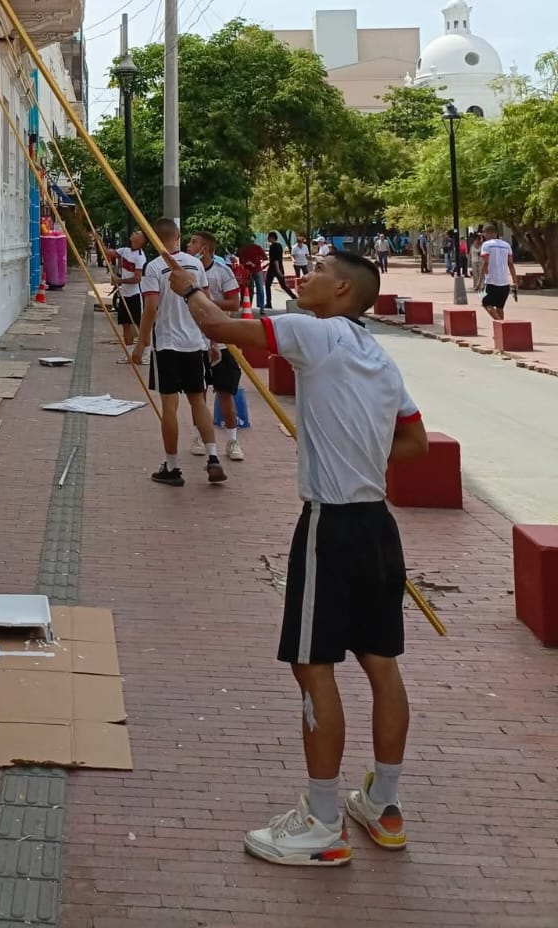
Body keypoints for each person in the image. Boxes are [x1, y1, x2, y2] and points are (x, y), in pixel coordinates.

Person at [165, 247, 428, 867]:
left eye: (318, 272)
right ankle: (384, 805)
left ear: (343, 291)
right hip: (377, 524)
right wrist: (357, 448)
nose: (305, 277)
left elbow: (217, 326)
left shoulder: (316, 333)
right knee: (382, 664)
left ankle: (323, 821)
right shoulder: (379, 357)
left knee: (313, 667)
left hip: (329, 526)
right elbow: (414, 441)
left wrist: (188, 287)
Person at [130, 218, 226, 486]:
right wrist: (212, 340)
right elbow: (205, 303)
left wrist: (141, 342)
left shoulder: (154, 267)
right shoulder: (195, 264)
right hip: (194, 343)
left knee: (169, 406)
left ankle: (172, 466)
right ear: (178, 237)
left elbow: (151, 308)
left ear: (153, 239)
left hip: (167, 344)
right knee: (198, 401)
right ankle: (213, 457)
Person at [187, 231, 246, 461]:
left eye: (194, 242)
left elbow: (234, 302)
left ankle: (232, 440)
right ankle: (200, 437)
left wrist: (209, 303)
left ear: (206, 249)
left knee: (225, 393)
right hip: (197, 342)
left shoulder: (222, 272)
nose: (189, 245)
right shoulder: (188, 272)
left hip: (221, 342)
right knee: (198, 395)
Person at [112, 229, 148, 360]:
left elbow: (137, 278)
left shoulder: (140, 257)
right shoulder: (125, 251)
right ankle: (129, 354)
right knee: (125, 324)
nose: (133, 234)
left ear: (142, 240)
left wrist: (120, 281)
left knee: (140, 325)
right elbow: (109, 252)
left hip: (135, 294)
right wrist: (99, 240)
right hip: (124, 295)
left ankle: (146, 354)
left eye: (137, 234)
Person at [474, 224, 517, 322]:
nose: (483, 236)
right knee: (500, 307)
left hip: (491, 281)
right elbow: (510, 264)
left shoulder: (486, 245)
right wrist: (515, 281)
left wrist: (479, 282)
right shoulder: (506, 245)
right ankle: (502, 329)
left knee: (486, 303)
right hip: (504, 283)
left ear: (487, 233)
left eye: (484, 233)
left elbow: (485, 263)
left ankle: (502, 324)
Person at [266, 231, 294, 306]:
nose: (268, 239)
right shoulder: (280, 245)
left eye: (269, 237)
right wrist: (267, 265)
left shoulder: (273, 247)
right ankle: (294, 297)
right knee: (283, 285)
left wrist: (277, 271)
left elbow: (275, 260)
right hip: (279, 267)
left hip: (274, 269)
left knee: (267, 285)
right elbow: (276, 259)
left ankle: (268, 303)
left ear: (272, 238)